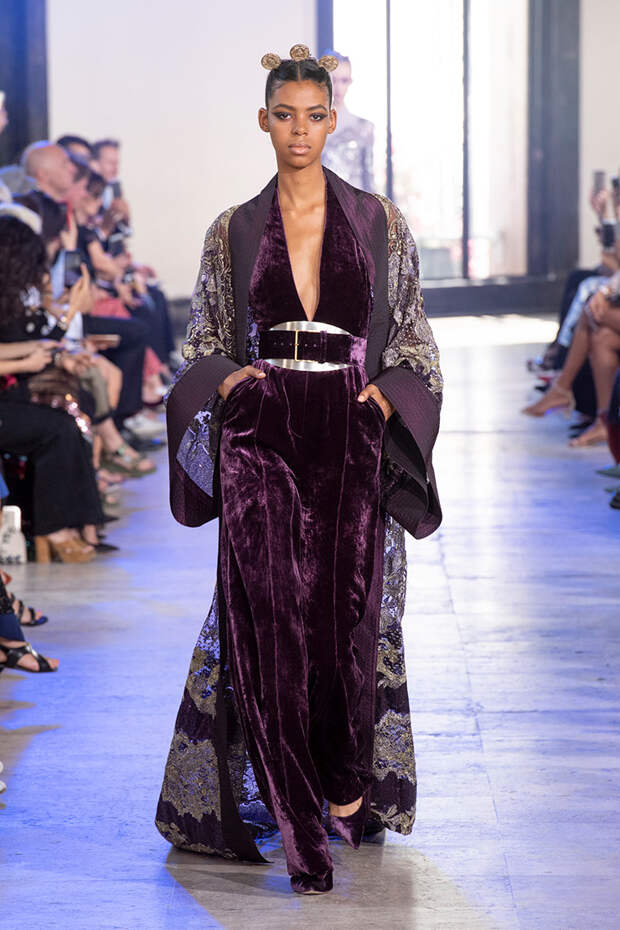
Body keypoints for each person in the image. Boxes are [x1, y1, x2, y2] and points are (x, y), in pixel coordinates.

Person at [155, 45, 442, 895]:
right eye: (285, 116)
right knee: (264, 614)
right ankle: (284, 808)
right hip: (266, 437)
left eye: (315, 116)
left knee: (350, 612)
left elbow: (413, 335)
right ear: (264, 120)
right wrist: (231, 384)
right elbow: (205, 339)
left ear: (332, 121)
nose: (300, 131)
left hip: (351, 434)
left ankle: (347, 785)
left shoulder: (380, 222)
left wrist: (385, 400)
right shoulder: (233, 229)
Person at [320, 50, 375, 191]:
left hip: (353, 201)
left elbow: (368, 180)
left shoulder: (364, 128)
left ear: (350, 82)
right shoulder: (309, 126)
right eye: (333, 80)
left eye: (344, 80)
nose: (338, 87)